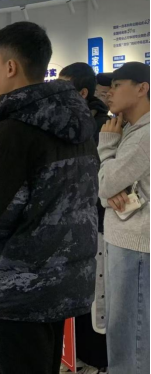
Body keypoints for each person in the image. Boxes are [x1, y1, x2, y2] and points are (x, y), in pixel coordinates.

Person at [0, 22, 99, 374]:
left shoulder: (14, 130)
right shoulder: (78, 121)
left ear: (10, 67)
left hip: (19, 287)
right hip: (63, 280)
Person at [98, 62, 150, 374]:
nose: (110, 93)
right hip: (126, 238)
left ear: (142, 88)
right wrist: (107, 192)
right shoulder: (130, 129)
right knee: (126, 327)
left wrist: (106, 149)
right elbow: (107, 190)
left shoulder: (143, 135)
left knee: (131, 331)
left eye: (118, 85)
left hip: (136, 243)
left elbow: (105, 184)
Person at [60, 62, 111, 373]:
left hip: (98, 221)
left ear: (81, 92)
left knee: (98, 295)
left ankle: (98, 359)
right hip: (69, 221)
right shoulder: (62, 123)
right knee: (74, 291)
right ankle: (76, 355)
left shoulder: (105, 126)